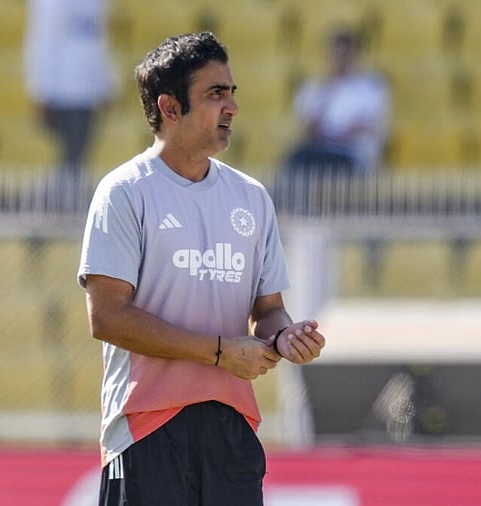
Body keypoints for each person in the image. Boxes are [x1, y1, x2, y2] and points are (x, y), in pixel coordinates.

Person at [77, 32, 326, 505]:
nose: (231, 106)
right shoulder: (125, 192)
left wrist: (284, 336)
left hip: (232, 429)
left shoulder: (251, 197)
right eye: (215, 94)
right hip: (148, 429)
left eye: (232, 93)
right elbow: (106, 317)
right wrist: (217, 353)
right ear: (170, 108)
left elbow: (268, 308)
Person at [23, 0, 117, 209]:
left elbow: (99, 41)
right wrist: (41, 91)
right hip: (62, 92)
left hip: (87, 92)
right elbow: (42, 42)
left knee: (75, 159)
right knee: (71, 158)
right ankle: (46, 216)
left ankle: (52, 215)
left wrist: (105, 84)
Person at [283, 27, 390, 178]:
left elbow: (372, 128)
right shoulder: (314, 87)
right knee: (295, 159)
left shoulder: (371, 88)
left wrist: (337, 135)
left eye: (346, 54)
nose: (341, 60)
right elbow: (305, 127)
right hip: (319, 150)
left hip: (350, 155)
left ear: (357, 55)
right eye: (337, 54)